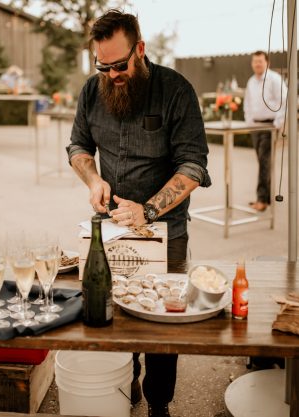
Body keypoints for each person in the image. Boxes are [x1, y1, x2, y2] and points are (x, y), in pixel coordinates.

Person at [66, 10, 211, 417]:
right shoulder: (92, 91)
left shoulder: (175, 90)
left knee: (162, 325)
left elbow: (193, 166)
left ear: (141, 50)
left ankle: (159, 403)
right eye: (102, 66)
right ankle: (123, 382)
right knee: (115, 315)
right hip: (110, 227)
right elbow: (77, 147)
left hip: (166, 228)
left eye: (119, 65)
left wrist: (148, 210)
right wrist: (93, 181)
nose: (111, 74)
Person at [244, 51, 287, 212]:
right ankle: (265, 198)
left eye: (260, 61)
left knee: (264, 162)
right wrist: (249, 122)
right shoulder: (251, 81)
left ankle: (262, 200)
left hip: (269, 126)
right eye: (255, 62)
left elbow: (284, 100)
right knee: (263, 162)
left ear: (267, 62)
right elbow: (247, 103)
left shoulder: (274, 79)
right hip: (255, 127)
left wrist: (278, 123)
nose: (257, 64)